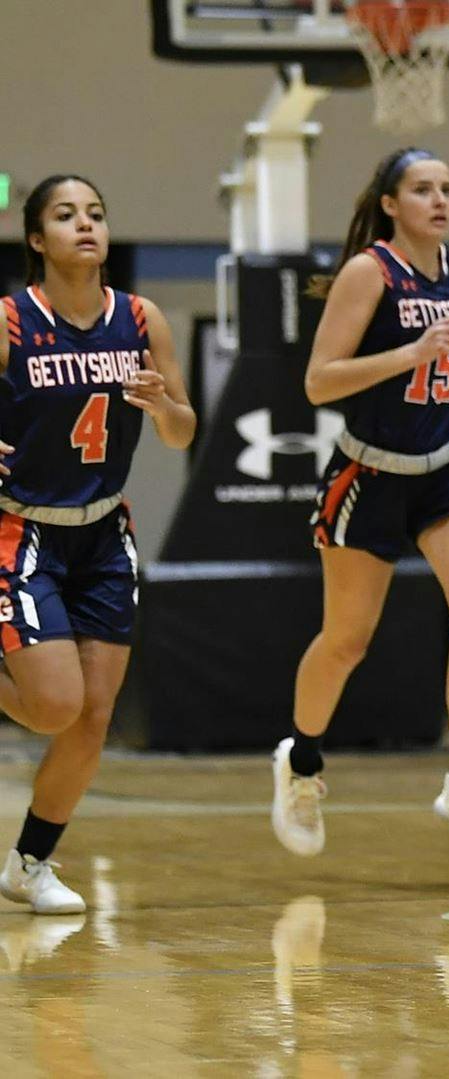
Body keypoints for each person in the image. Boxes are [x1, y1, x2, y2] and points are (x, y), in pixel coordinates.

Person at [272, 149, 449, 857]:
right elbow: (320, 382)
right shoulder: (368, 272)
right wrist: (409, 353)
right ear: (391, 203)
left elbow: (448, 366)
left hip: (448, 464)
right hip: (370, 472)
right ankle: (301, 764)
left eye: (447, 188)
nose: (439, 200)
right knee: (346, 639)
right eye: (422, 189)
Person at [0, 176, 196, 913]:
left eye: (96, 213)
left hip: (106, 532)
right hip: (22, 527)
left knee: (92, 715)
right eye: (64, 214)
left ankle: (29, 863)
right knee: (53, 705)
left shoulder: (142, 320)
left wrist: (162, 404)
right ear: (37, 239)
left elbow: (181, 433)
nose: (85, 224)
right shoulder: (12, 320)